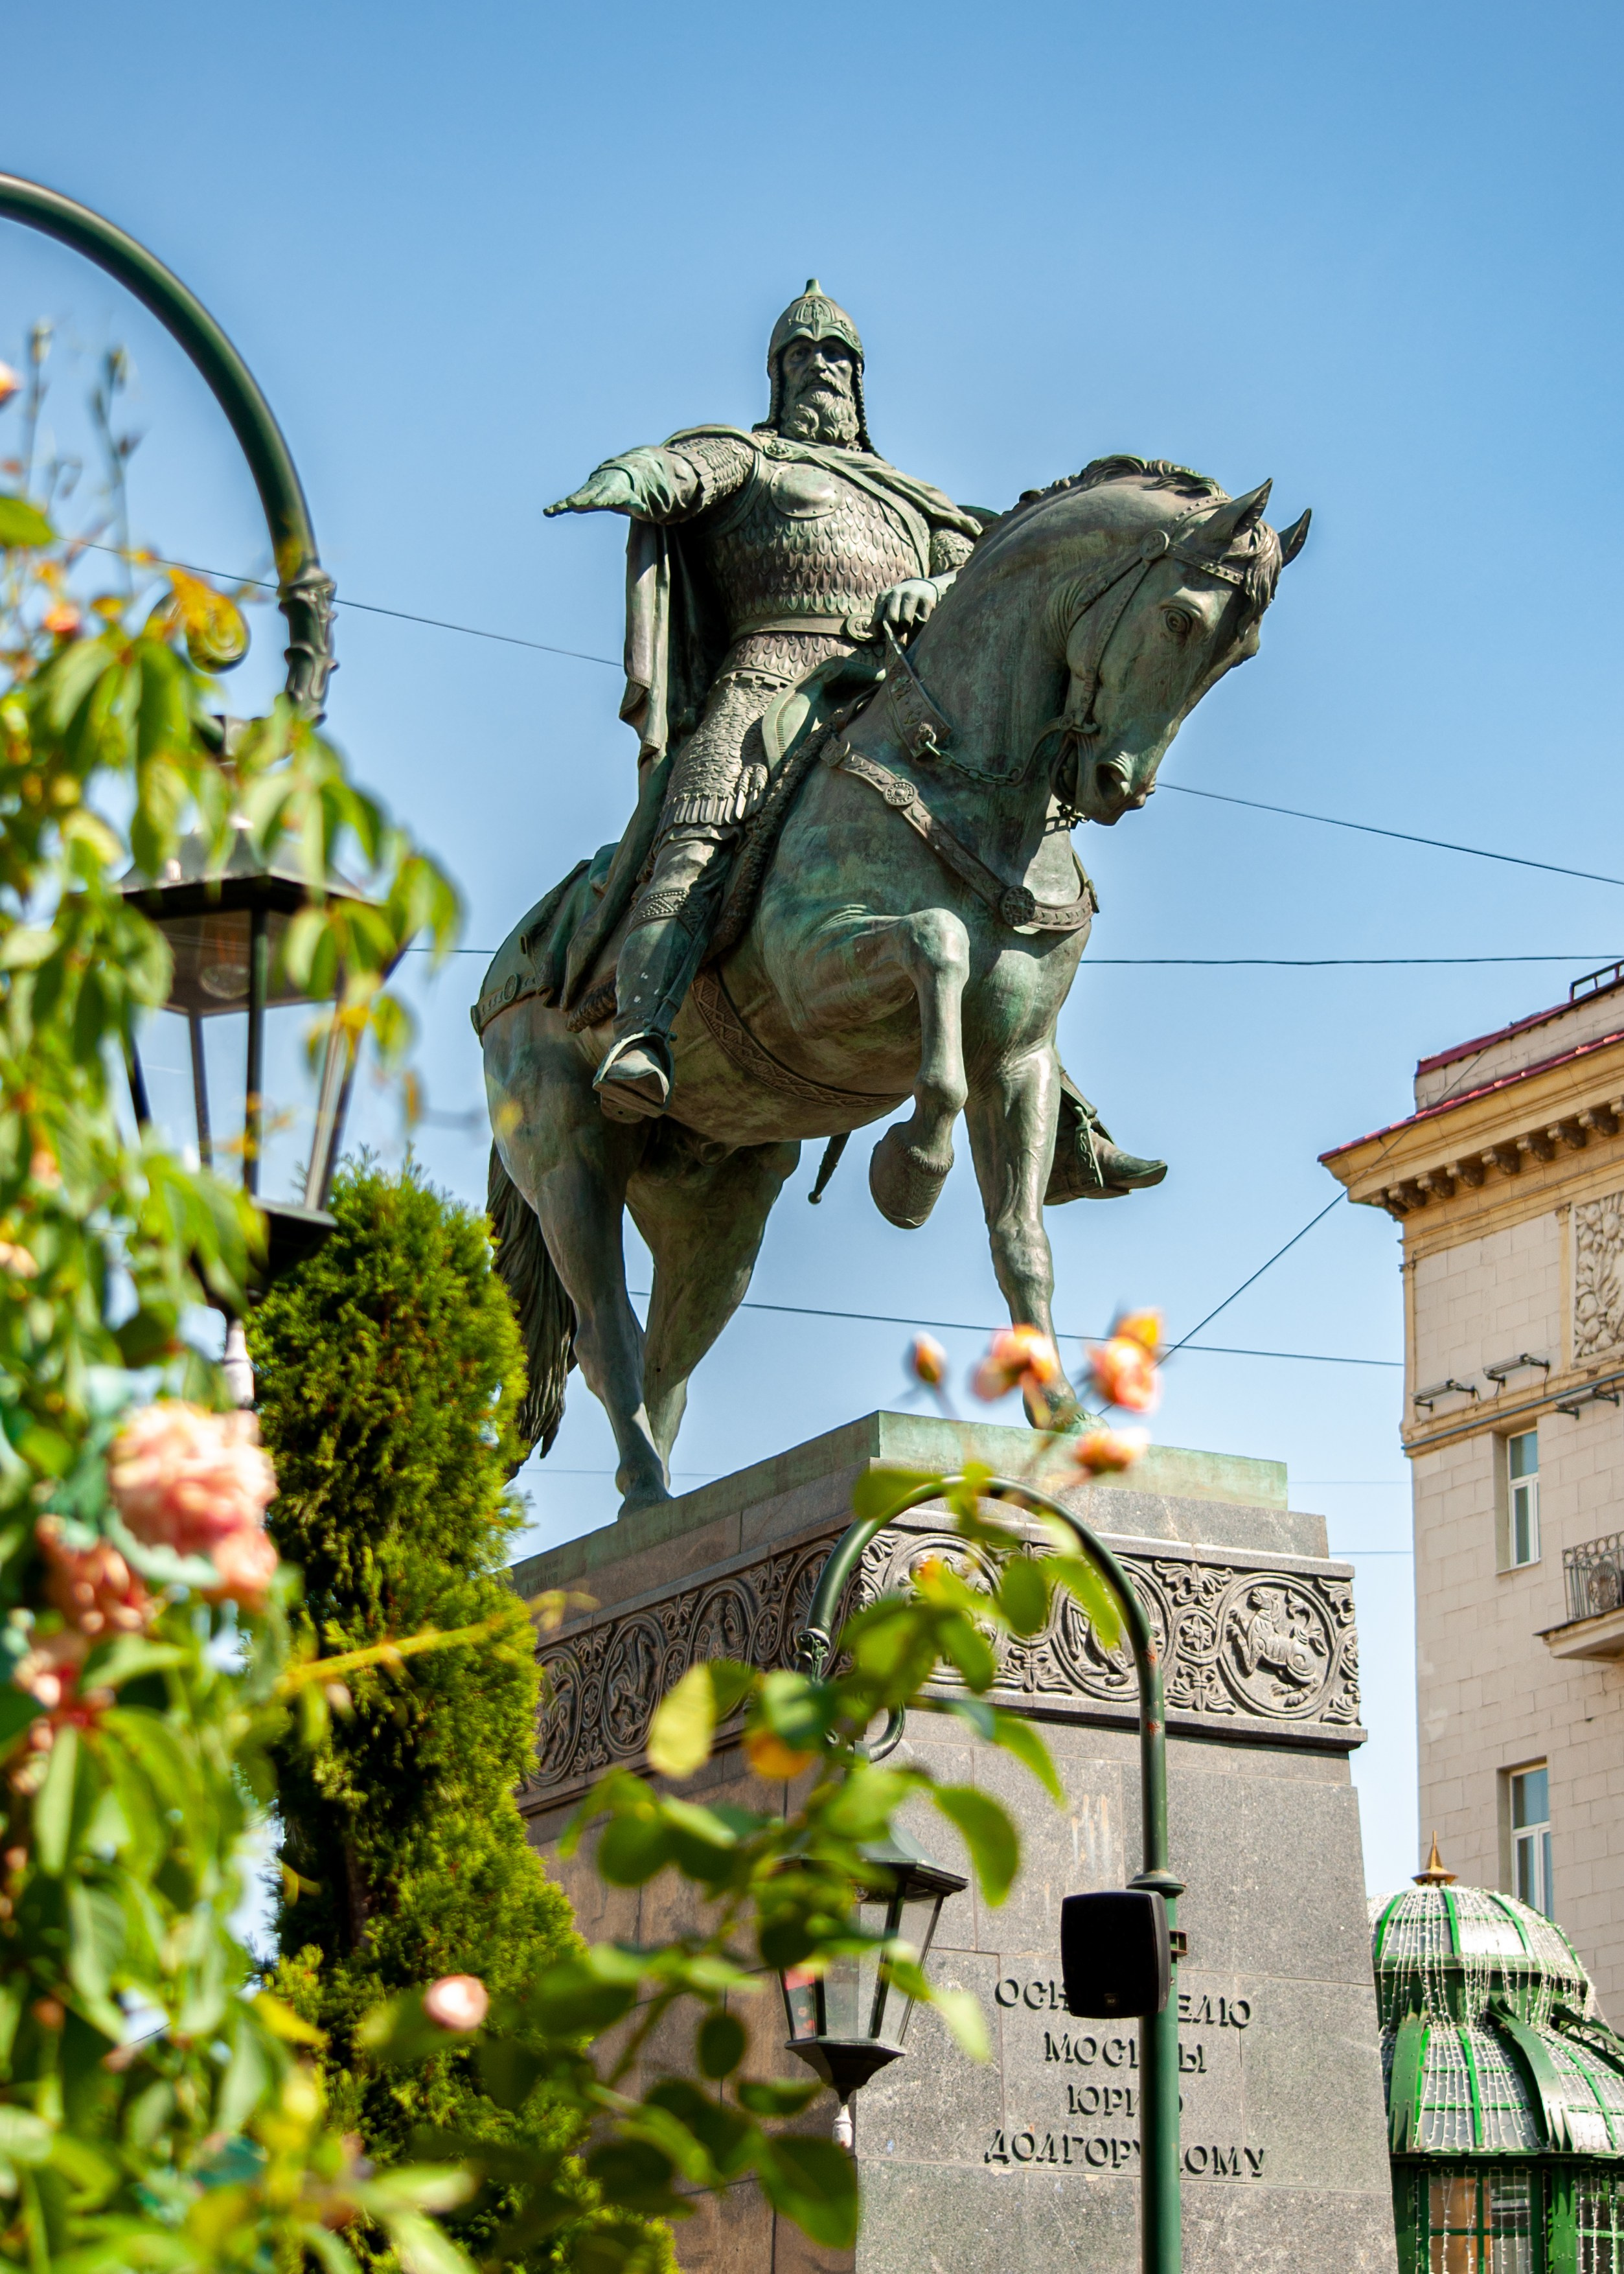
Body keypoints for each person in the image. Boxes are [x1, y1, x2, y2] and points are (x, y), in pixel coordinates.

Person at [545, 281, 1165, 1199]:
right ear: (777, 376)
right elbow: (685, 476)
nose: (820, 371)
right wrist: (635, 477)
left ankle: (1058, 1112)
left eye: (836, 357)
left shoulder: (913, 500)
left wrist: (936, 594)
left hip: (890, 689)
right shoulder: (748, 457)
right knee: (704, 812)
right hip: (767, 678)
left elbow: (984, 575)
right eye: (801, 357)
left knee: (1008, 850)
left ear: (860, 381)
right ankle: (645, 1026)